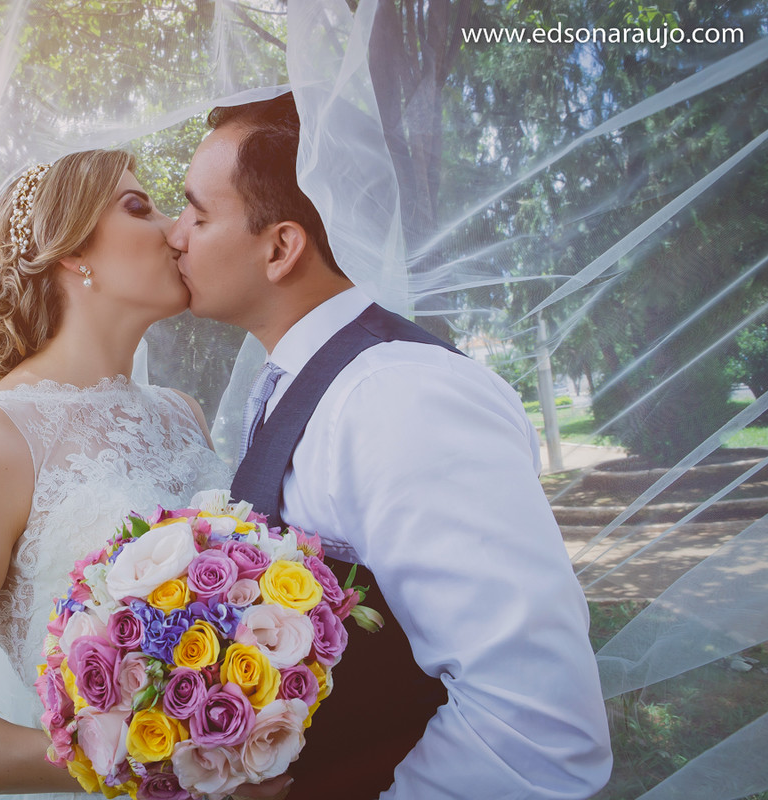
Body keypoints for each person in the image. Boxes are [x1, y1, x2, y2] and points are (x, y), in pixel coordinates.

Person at [168, 92, 614, 799]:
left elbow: (537, 735)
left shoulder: (396, 397)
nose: (175, 235)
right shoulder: (301, 379)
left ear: (281, 247)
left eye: (196, 212)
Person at [0, 149, 237, 796]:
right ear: (70, 252)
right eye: (138, 206)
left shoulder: (183, 414)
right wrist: (123, 761)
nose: (176, 228)